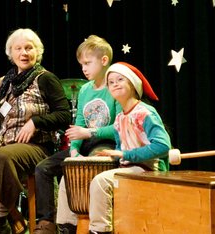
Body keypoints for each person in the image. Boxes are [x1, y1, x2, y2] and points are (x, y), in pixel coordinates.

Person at [0, 28, 70, 234]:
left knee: (3, 156)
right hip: (6, 143)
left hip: (36, 147)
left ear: (37, 51)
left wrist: (36, 122)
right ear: (11, 54)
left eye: (29, 48)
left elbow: (65, 115)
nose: (24, 53)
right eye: (19, 48)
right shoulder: (5, 83)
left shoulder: (45, 78)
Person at [55, 62, 171, 234]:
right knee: (69, 178)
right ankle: (67, 227)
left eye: (120, 79)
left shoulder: (145, 112)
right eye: (110, 82)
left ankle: (100, 230)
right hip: (127, 168)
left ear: (133, 84)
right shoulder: (119, 118)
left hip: (148, 169)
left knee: (101, 182)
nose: (114, 84)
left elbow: (163, 145)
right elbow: (120, 149)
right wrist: (109, 156)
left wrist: (124, 154)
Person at [33, 35, 121, 234]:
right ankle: (51, 223)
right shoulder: (85, 90)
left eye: (88, 63)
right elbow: (79, 122)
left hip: (106, 143)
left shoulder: (115, 86)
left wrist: (88, 132)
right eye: (82, 64)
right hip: (85, 142)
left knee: (80, 170)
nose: (84, 68)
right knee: (43, 168)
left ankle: (94, 226)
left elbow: (118, 127)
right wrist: (73, 150)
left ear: (104, 60)